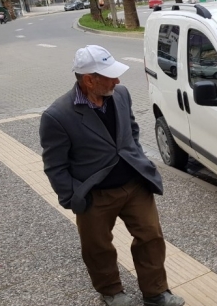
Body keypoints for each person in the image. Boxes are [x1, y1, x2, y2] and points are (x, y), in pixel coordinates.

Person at [39, 45, 184, 306]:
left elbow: (132, 131)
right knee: (98, 247)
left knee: (151, 237)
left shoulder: (121, 94)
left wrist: (138, 158)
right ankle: (112, 292)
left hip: (135, 185)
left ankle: (155, 292)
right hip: (95, 194)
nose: (117, 81)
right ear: (89, 80)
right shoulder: (57, 115)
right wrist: (74, 197)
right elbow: (55, 166)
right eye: (110, 76)